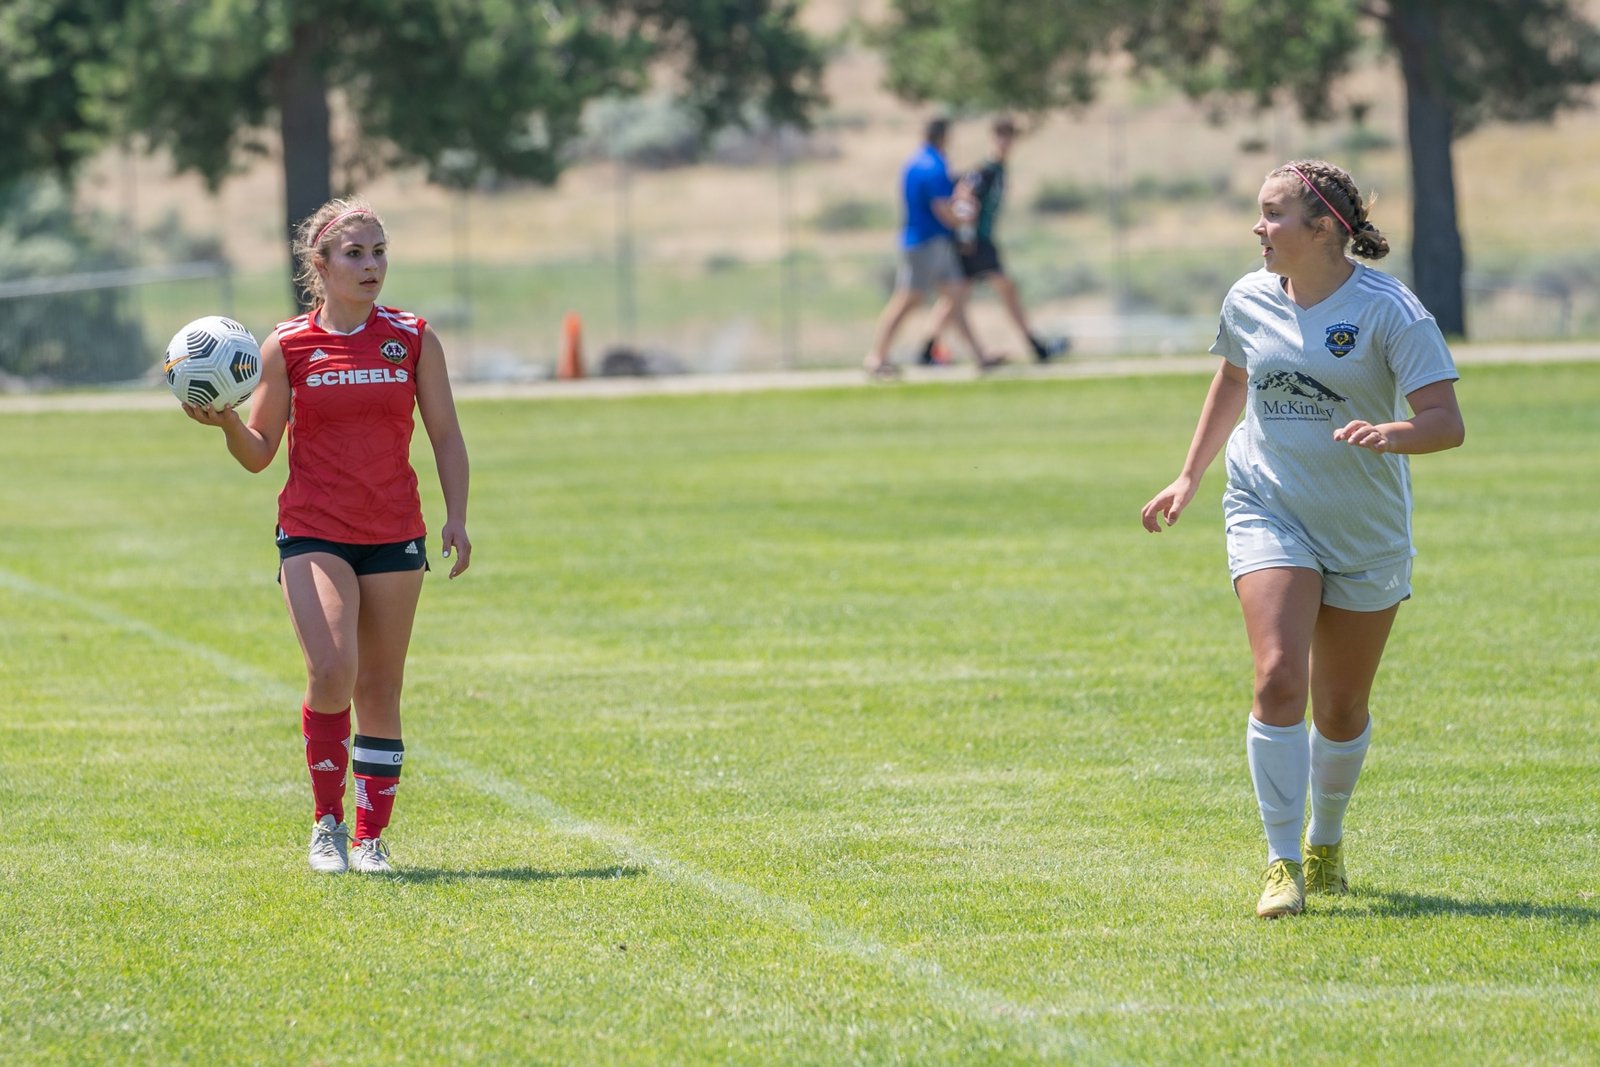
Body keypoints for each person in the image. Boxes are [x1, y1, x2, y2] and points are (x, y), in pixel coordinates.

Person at [1139, 160, 1464, 918]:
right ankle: (1282, 861)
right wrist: (1189, 474)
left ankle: (1325, 840)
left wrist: (1392, 433)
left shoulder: (1391, 310)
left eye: (1273, 213)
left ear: (1324, 229)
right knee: (1279, 677)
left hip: (1362, 525)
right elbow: (1234, 379)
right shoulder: (1249, 297)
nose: (1259, 227)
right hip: (1267, 504)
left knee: (1340, 709)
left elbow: (1446, 422)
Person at [184, 197, 472, 875]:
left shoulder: (413, 338)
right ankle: (327, 824)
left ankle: (371, 839)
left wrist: (457, 515)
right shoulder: (287, 345)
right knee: (332, 670)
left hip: (394, 530)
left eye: (379, 252)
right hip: (313, 529)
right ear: (321, 264)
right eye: (355, 253)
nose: (372, 265)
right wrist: (227, 423)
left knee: (379, 688)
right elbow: (260, 453)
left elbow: (446, 434)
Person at [918, 115, 1068, 366]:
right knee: (1004, 288)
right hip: (976, 242)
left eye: (1010, 137)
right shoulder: (984, 172)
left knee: (956, 297)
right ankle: (1036, 345)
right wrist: (966, 231)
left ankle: (927, 348)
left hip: (981, 240)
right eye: (1002, 137)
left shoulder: (999, 170)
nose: (1006, 143)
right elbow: (963, 194)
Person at [864, 117, 1002, 378]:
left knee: (955, 296)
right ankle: (877, 356)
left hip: (932, 242)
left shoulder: (915, 163)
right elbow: (942, 208)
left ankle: (980, 355)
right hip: (926, 242)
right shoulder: (934, 166)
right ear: (944, 137)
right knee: (908, 299)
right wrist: (965, 219)